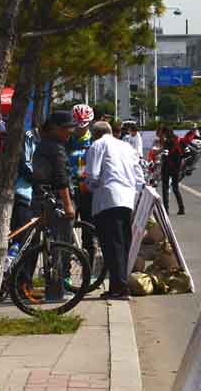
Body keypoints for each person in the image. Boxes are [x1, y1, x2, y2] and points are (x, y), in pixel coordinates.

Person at [85, 121, 144, 300]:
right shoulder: (126, 147)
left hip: (108, 199)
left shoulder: (97, 145)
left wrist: (88, 186)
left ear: (95, 134)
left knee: (112, 246)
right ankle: (118, 285)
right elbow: (139, 177)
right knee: (123, 244)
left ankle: (119, 288)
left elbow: (92, 175)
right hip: (127, 199)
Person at [31, 110, 77, 300]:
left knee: (51, 246)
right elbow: (61, 180)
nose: (70, 132)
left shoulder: (45, 144)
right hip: (54, 202)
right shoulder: (55, 149)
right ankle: (56, 291)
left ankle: (54, 288)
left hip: (42, 199)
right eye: (67, 128)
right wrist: (68, 205)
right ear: (55, 128)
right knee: (60, 247)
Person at [67, 104, 96, 270]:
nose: (79, 129)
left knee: (88, 232)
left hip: (87, 191)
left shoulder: (94, 141)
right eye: (76, 125)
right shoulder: (66, 140)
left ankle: (89, 270)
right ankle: (65, 271)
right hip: (68, 190)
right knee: (67, 232)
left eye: (83, 126)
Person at [160, 127, 185, 215]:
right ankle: (181, 208)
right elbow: (186, 153)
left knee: (165, 189)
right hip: (177, 168)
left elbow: (165, 155)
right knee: (175, 188)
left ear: (165, 133)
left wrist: (162, 164)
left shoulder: (167, 142)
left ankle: (166, 210)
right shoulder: (180, 140)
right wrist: (180, 160)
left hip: (167, 168)